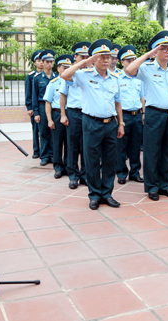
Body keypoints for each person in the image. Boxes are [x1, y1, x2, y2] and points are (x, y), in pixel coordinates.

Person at [61, 39, 124, 210]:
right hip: (91, 123)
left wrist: (121, 123)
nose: (106, 60)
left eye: (108, 57)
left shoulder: (114, 78)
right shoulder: (84, 76)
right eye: (101, 57)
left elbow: (118, 103)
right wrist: (84, 62)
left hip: (111, 123)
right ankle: (94, 195)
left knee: (110, 161)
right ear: (94, 59)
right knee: (92, 160)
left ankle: (107, 193)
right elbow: (64, 75)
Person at [125, 31, 168, 201]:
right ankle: (152, 187)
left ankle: (165, 185)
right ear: (155, 51)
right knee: (152, 151)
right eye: (163, 49)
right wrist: (148, 55)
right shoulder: (147, 68)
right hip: (154, 114)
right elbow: (129, 69)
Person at [60, 42, 90, 189]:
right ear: (75, 57)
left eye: (87, 56)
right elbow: (63, 95)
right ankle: (73, 175)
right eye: (82, 56)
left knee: (87, 145)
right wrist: (63, 114)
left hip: (88, 113)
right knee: (72, 145)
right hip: (73, 112)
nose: (85, 59)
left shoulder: (91, 73)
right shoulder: (70, 74)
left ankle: (84, 175)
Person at [116, 45, 145, 184]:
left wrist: (143, 113)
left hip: (137, 115)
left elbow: (142, 97)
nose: (131, 62)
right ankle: (121, 173)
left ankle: (135, 172)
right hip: (124, 116)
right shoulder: (116, 78)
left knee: (135, 145)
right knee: (121, 145)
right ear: (122, 62)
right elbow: (115, 101)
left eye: (133, 59)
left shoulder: (139, 77)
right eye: (128, 60)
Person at [45, 55, 73, 178]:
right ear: (58, 68)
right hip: (57, 114)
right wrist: (50, 119)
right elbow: (48, 102)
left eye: (68, 67)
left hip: (71, 114)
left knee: (70, 142)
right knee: (57, 142)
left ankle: (67, 166)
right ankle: (58, 167)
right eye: (64, 67)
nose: (66, 70)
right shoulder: (53, 83)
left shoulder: (73, 82)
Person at [32, 49, 57, 166]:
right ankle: (44, 156)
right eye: (47, 62)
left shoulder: (56, 77)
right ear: (43, 62)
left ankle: (52, 155)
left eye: (51, 62)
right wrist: (36, 113)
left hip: (54, 107)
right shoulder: (37, 78)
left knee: (53, 131)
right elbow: (34, 96)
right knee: (43, 132)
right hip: (42, 107)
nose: (49, 64)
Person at [25, 50, 43, 158]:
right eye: (38, 60)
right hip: (34, 108)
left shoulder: (49, 75)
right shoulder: (31, 76)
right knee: (36, 130)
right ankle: (36, 151)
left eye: (42, 60)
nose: (41, 62)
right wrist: (29, 107)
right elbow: (29, 93)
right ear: (34, 63)